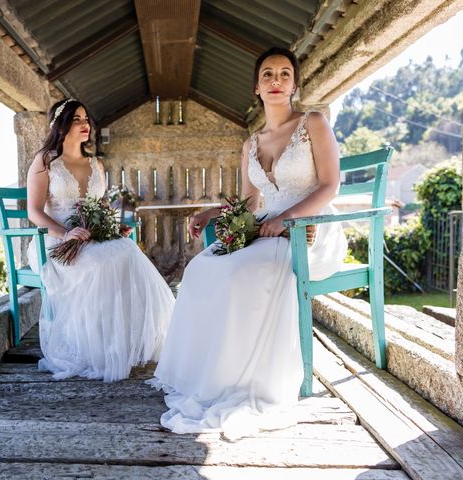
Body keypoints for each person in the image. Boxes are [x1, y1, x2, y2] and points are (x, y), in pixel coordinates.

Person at [147, 47, 347, 440]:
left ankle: (248, 377)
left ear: (294, 84)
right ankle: (214, 372)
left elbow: (329, 185)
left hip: (308, 226)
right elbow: (249, 204)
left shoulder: (314, 123)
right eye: (268, 75)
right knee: (203, 266)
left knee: (242, 271)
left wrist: (285, 219)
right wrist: (211, 214)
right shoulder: (251, 143)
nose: (276, 81)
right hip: (265, 224)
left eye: (284, 74)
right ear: (256, 87)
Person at [27, 99, 175, 382]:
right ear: (61, 125)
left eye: (86, 119)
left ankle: (122, 344)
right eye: (77, 120)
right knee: (102, 262)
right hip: (57, 241)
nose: (85, 125)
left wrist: (113, 226)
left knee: (128, 252)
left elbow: (102, 205)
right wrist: (66, 233)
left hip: (93, 236)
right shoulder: (45, 162)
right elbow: (33, 212)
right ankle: (94, 348)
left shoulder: (96, 163)